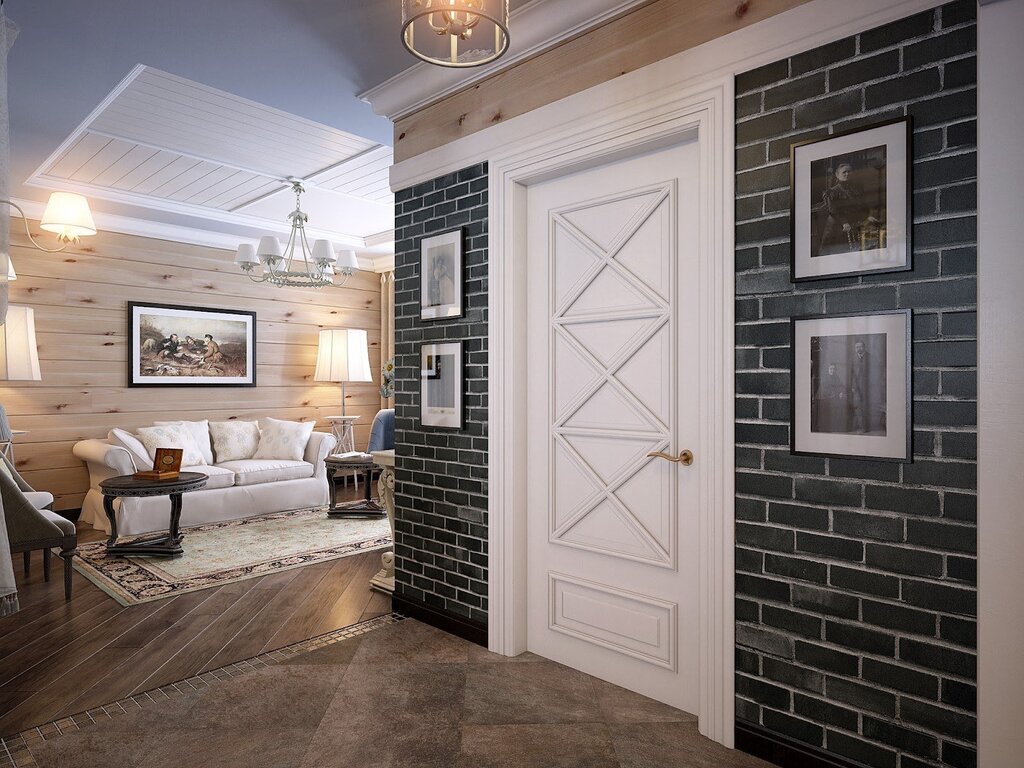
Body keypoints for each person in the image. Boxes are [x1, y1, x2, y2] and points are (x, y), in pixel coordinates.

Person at [814, 162, 866, 258]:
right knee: (835, 251)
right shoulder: (832, 192)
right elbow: (833, 210)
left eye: (849, 172)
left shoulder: (855, 189)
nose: (847, 174)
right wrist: (844, 222)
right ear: (837, 175)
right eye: (844, 172)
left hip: (852, 222)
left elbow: (860, 206)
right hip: (836, 224)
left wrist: (866, 216)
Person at [814, 361, 847, 433]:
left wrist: (841, 392)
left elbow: (841, 386)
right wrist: (836, 393)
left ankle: (836, 426)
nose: (832, 370)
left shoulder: (836, 376)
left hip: (832, 397)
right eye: (831, 369)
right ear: (828, 370)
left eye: (834, 369)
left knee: (841, 405)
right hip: (823, 399)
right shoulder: (825, 377)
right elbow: (825, 389)